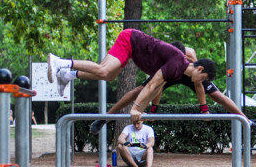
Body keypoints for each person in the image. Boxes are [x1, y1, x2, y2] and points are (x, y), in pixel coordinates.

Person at [88, 41, 256, 137]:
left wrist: (204, 110)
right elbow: (156, 86)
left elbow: (198, 84)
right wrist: (154, 111)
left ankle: (250, 123)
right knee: (137, 91)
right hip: (168, 71)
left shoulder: (191, 58)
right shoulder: (168, 57)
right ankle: (105, 118)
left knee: (219, 96)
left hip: (189, 74)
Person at [48, 28, 216, 125]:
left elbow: (155, 89)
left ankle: (67, 75)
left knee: (108, 77)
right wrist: (135, 108)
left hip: (132, 50)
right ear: (199, 69)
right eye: (203, 78)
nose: (200, 83)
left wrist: (143, 111)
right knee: (103, 70)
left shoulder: (178, 71)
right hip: (130, 40)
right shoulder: (178, 62)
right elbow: (150, 86)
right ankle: (61, 62)